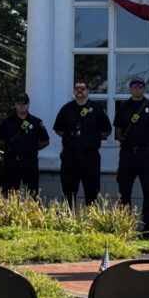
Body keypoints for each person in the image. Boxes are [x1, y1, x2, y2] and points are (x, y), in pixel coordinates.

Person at [114, 76, 149, 236]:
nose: (137, 89)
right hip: (128, 154)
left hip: (146, 154)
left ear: (144, 88)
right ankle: (125, 226)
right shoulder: (123, 107)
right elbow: (118, 132)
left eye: (140, 86)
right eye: (134, 86)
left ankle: (147, 227)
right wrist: (128, 144)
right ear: (130, 88)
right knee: (124, 191)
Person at [53, 80, 112, 208]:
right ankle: (68, 223)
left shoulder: (97, 109)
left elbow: (107, 131)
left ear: (88, 91)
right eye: (77, 88)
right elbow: (58, 129)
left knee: (92, 194)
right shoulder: (66, 109)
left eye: (83, 88)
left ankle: (90, 225)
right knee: (68, 193)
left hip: (90, 157)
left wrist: (91, 138)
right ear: (74, 91)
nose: (80, 91)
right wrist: (72, 140)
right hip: (70, 157)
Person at [0, 92, 49, 195]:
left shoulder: (36, 122)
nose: (22, 106)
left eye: (24, 103)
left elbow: (45, 141)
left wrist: (32, 148)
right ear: (15, 104)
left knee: (32, 195)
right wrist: (9, 148)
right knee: (9, 194)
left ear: (28, 104)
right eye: (19, 104)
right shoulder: (7, 122)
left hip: (30, 163)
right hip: (12, 162)